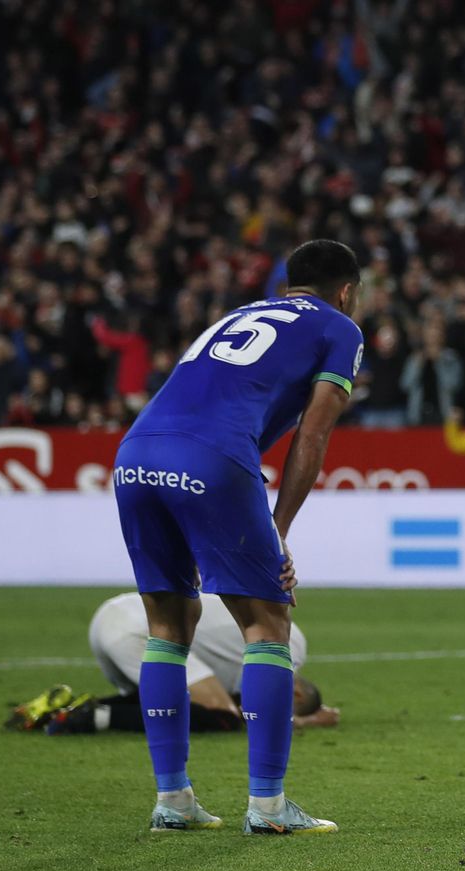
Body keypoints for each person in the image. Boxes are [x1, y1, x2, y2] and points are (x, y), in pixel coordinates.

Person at [111, 239, 363, 835]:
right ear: (347, 292)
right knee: (268, 625)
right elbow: (313, 434)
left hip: (135, 455)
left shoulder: (239, 313)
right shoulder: (340, 328)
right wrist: (279, 528)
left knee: (168, 625)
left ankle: (173, 801)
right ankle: (269, 808)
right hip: (212, 456)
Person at [5, 593, 339, 735]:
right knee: (221, 715)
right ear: (296, 693)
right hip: (139, 631)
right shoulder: (289, 649)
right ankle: (94, 717)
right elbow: (247, 711)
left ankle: (59, 709)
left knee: (169, 696)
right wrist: (304, 721)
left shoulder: (286, 637)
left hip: (115, 615)